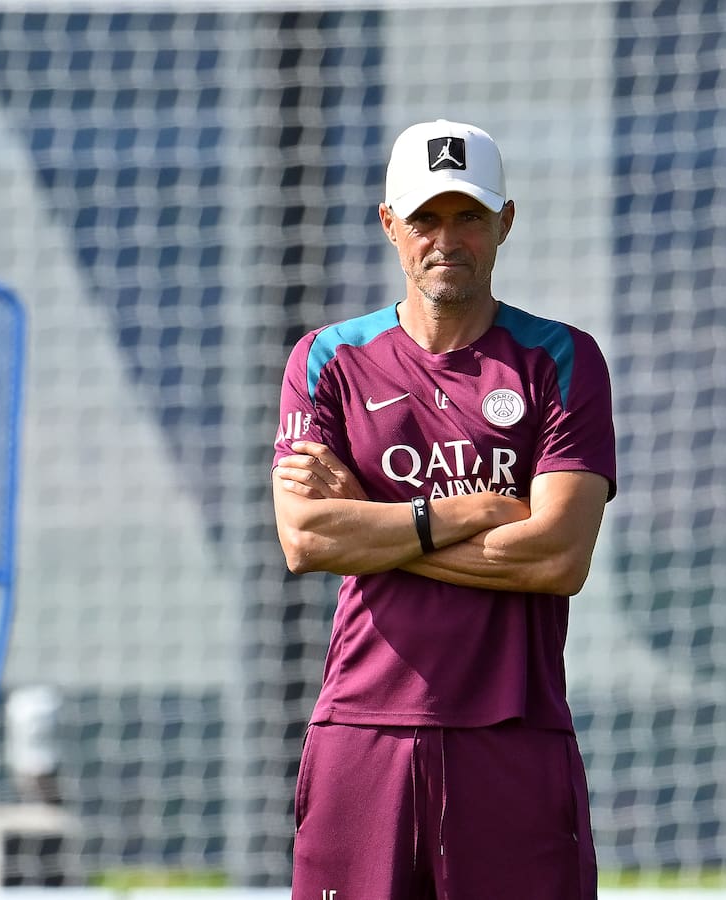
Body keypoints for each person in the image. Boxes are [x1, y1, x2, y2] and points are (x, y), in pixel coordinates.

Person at [272, 119, 617, 900]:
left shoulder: (561, 359)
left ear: (505, 222)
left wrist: (372, 524)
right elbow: (305, 539)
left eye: (469, 216)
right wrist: (466, 513)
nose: (446, 239)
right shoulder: (326, 359)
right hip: (361, 728)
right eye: (425, 217)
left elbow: (558, 556)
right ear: (389, 223)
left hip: (514, 731)